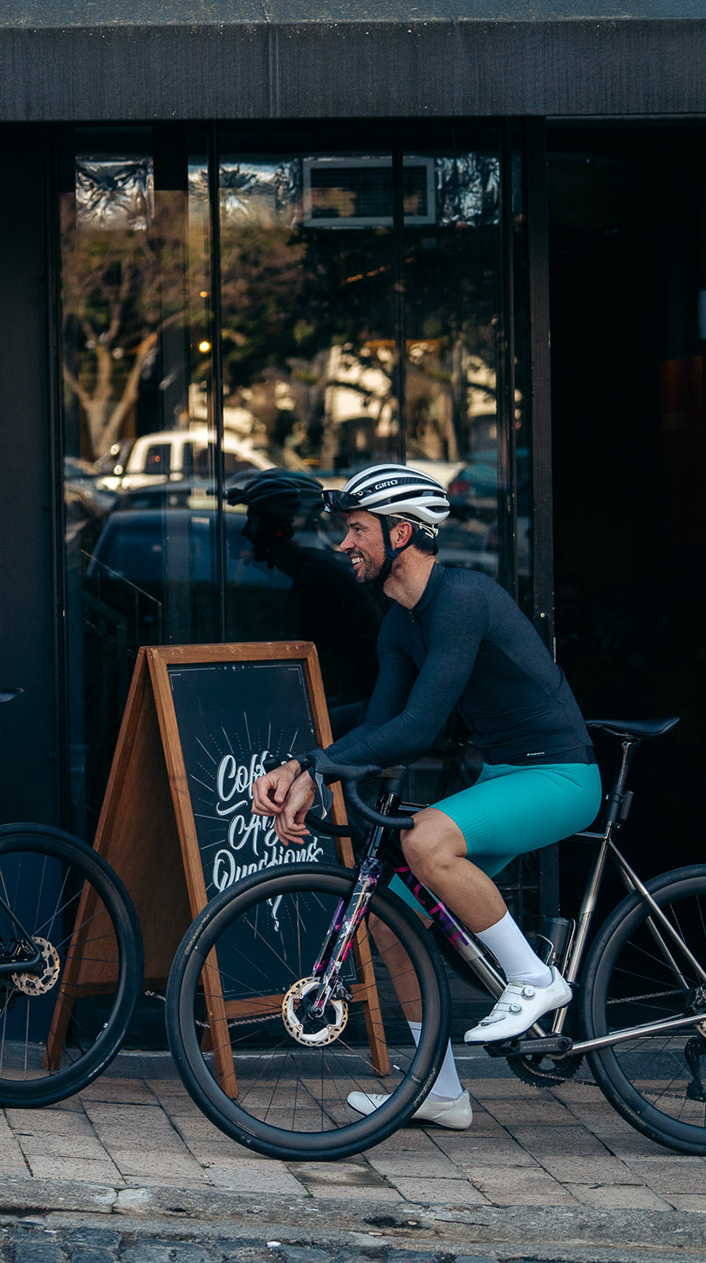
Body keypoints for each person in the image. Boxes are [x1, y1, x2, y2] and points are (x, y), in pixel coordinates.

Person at [249, 463, 601, 1130]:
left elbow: (419, 728)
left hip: (559, 777)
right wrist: (300, 764)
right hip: (503, 777)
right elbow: (383, 726)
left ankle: (535, 979)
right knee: (389, 917)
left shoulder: (463, 598)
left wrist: (318, 770)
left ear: (402, 533)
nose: (345, 543)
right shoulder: (401, 624)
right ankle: (439, 1091)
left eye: (358, 529)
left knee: (425, 840)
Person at [225, 469, 383, 733]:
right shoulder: (310, 571)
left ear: (278, 530)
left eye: (253, 522)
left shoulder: (313, 579)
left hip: (359, 708)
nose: (246, 532)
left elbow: (299, 669)